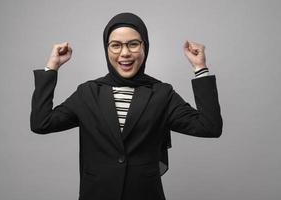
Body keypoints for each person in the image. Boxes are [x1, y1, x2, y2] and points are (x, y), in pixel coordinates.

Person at [30, 12, 223, 200]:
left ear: (144, 47)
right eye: (116, 45)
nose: (125, 53)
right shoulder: (87, 93)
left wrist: (200, 68)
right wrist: (51, 67)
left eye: (133, 44)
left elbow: (209, 126)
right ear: (106, 49)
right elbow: (42, 123)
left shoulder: (162, 94)